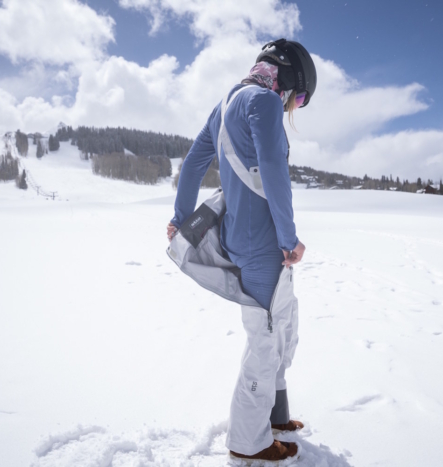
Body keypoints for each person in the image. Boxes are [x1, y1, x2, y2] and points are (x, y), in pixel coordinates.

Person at [167, 38, 317, 461]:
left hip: (243, 239)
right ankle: (248, 442)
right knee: (265, 338)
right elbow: (272, 170)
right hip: (264, 245)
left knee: (283, 323)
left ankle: (275, 413)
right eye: (299, 97)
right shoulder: (265, 103)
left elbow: (195, 162)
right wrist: (289, 239)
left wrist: (180, 217)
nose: (293, 104)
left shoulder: (227, 101)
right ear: (290, 78)